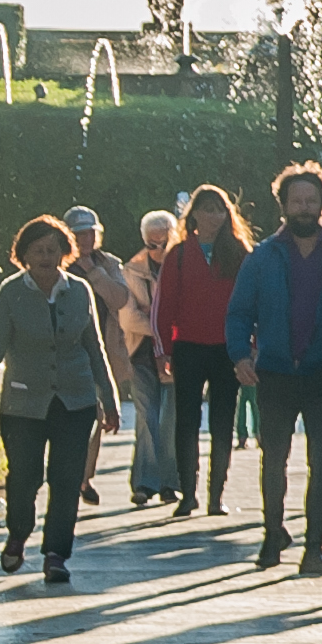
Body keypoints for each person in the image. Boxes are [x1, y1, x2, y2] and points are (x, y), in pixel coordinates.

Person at [225, 161, 322, 575]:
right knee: (273, 458)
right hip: (274, 371)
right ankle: (272, 536)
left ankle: (315, 547)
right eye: (297, 201)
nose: (304, 208)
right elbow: (238, 312)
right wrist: (240, 355)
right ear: (284, 206)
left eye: (311, 201)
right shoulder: (261, 258)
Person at [0, 214, 127, 587]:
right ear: (24, 255)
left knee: (66, 477)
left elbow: (94, 348)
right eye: (38, 250)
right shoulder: (11, 292)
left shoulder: (79, 291)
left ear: (65, 253)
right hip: (23, 403)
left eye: (53, 249)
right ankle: (18, 533)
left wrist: (109, 399)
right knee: (25, 477)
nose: (46, 256)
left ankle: (56, 554)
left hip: (75, 402)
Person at [153, 184, 251, 514]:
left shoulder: (240, 252)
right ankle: (188, 493)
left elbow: (253, 301)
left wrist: (250, 347)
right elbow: (163, 305)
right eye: (207, 209)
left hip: (228, 348)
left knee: (223, 422)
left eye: (219, 209)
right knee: (187, 422)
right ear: (193, 213)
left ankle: (216, 495)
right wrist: (163, 350)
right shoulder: (179, 254)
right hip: (189, 347)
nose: (213, 216)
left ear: (228, 215)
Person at [62, 208, 133, 503]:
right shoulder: (58, 264)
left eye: (90, 233)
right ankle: (69, 475)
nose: (85, 239)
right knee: (69, 417)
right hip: (66, 352)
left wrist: (93, 271)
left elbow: (119, 298)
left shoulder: (108, 264)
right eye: (79, 234)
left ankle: (83, 478)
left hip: (100, 350)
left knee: (96, 416)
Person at [124, 208, 184, 503]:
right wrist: (160, 323)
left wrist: (155, 316)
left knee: (171, 421)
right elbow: (128, 318)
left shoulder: (185, 266)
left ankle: (170, 483)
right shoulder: (131, 269)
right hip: (141, 354)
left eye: (164, 243)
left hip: (175, 354)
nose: (158, 250)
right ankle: (144, 483)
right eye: (152, 244)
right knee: (146, 417)